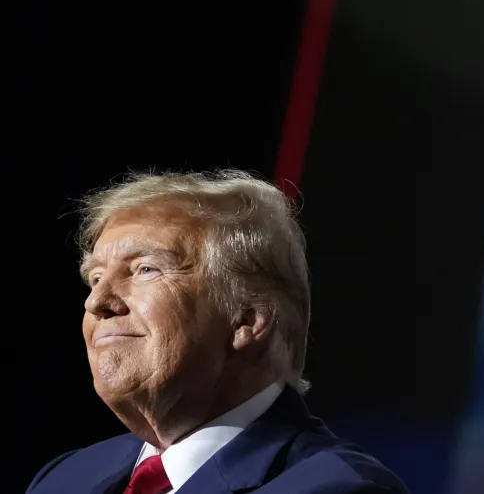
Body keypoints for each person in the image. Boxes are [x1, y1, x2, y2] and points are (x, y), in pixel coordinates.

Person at [28, 170, 409, 494]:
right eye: (95, 277)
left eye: (145, 269)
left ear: (247, 319)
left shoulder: (335, 487)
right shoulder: (65, 478)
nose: (96, 302)